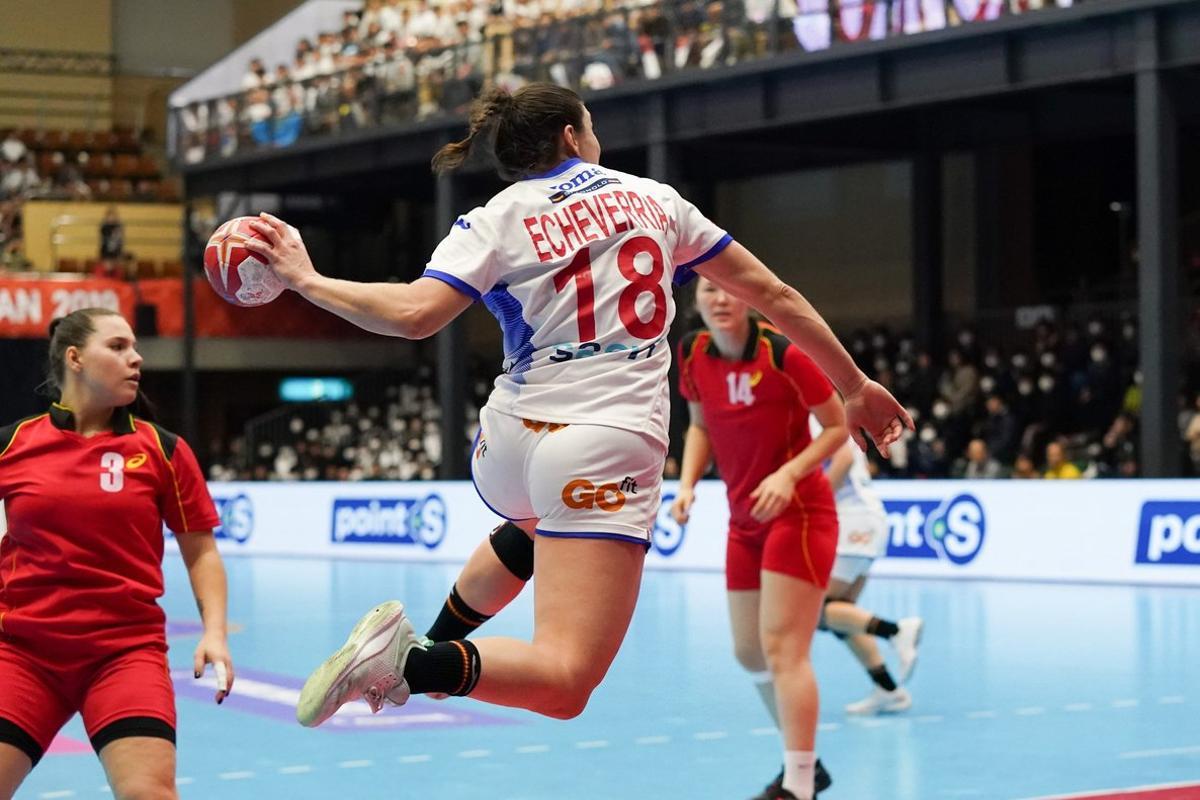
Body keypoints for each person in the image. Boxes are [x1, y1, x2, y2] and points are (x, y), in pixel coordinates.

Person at [243, 83, 910, 800]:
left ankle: (435, 637)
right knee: (565, 682)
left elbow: (412, 315)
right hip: (603, 441)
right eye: (590, 126)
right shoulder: (656, 199)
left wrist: (305, 280)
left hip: (504, 448)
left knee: (534, 529)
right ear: (570, 135)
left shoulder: (494, 216)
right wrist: (853, 385)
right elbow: (774, 296)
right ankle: (410, 665)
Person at [0, 308, 232, 799]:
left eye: (135, 347)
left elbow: (201, 551)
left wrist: (214, 632)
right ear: (75, 358)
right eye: (119, 346)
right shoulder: (14, 444)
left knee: (149, 793)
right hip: (23, 653)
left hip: (124, 654)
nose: (137, 358)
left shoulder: (162, 450)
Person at [671, 278, 847, 799]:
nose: (720, 299)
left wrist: (789, 474)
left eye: (729, 290)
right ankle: (807, 763)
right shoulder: (691, 351)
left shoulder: (784, 352)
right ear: (696, 300)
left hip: (800, 513)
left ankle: (799, 784)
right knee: (749, 652)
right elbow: (699, 426)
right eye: (708, 291)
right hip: (743, 521)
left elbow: (838, 427)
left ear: (748, 300)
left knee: (783, 649)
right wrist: (686, 484)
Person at [808, 416, 923, 717]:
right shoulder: (820, 414)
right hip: (865, 518)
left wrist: (815, 503)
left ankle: (896, 630)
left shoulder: (814, 416)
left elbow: (843, 457)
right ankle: (888, 690)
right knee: (841, 615)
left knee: (817, 610)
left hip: (852, 520)